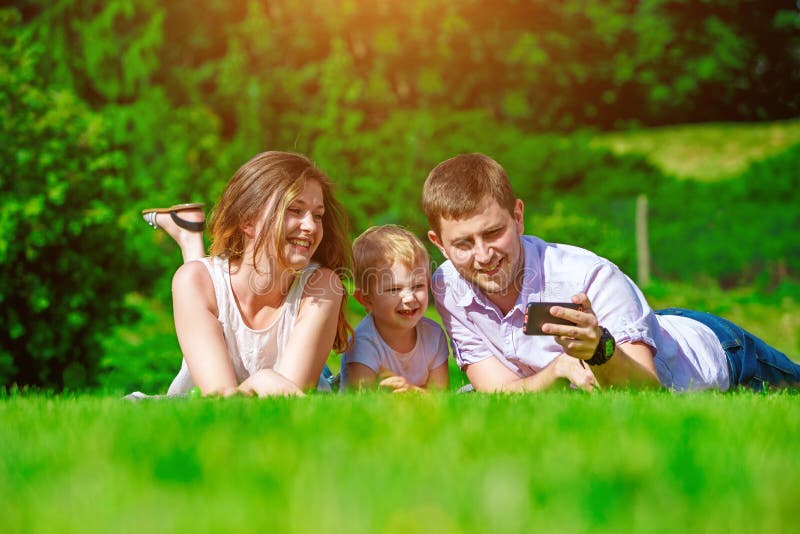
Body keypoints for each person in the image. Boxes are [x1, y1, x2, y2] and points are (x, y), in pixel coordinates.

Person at [422, 152, 800, 393]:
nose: (483, 255)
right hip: (651, 326)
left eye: (493, 233)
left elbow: (647, 392)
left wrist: (598, 350)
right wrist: (556, 371)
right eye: (464, 243)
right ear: (439, 244)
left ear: (518, 217)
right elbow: (497, 391)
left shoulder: (589, 276)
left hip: (716, 350)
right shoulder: (447, 287)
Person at [138, 151, 351, 397]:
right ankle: (188, 235)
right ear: (248, 221)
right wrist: (261, 381)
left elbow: (288, 397)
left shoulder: (322, 287)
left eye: (318, 215)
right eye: (294, 210)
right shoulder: (194, 282)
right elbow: (221, 398)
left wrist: (262, 382)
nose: (311, 226)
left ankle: (189, 235)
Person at [340, 225, 450, 392]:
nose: (409, 298)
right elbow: (359, 399)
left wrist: (412, 393)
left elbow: (442, 396)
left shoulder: (433, 336)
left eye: (418, 286)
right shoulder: (363, 344)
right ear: (366, 299)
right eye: (394, 289)